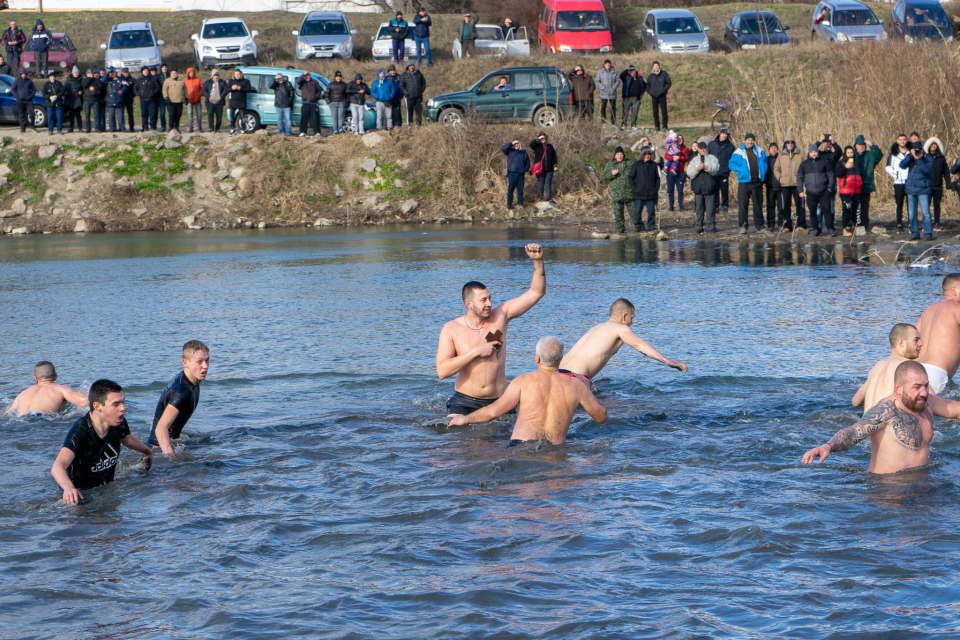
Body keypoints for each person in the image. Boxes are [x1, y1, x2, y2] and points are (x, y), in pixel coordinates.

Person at [437, 245, 546, 415]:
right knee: (455, 435)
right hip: (466, 401)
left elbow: (536, 292)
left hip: (500, 399)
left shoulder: (502, 315)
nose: (489, 303)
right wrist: (475, 352)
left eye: (490, 298)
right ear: (469, 304)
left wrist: (538, 261)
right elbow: (442, 371)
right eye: (483, 300)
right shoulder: (451, 329)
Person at [802, 361, 960, 474]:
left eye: (926, 385)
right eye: (917, 387)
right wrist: (828, 446)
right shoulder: (886, 411)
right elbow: (854, 432)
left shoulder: (927, 402)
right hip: (888, 491)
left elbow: (954, 410)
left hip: (922, 483)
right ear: (898, 388)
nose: (924, 392)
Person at [447, 336, 607, 445]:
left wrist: (465, 419)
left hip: (521, 447)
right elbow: (600, 417)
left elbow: (493, 412)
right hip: (555, 451)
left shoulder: (522, 382)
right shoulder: (577, 385)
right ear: (561, 359)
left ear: (537, 358)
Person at [50, 379, 152, 504]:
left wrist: (147, 451)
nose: (123, 408)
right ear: (97, 406)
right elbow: (57, 467)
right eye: (116, 404)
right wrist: (68, 488)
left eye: (123, 402)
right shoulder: (81, 431)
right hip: (80, 495)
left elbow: (127, 438)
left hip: (106, 489)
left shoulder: (118, 422)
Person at [560, 299, 688, 383]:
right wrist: (667, 361)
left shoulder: (596, 328)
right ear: (624, 316)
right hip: (574, 379)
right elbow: (638, 343)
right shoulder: (620, 328)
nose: (631, 323)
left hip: (556, 374)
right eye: (631, 318)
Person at [147, 340, 209, 456]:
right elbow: (161, 427)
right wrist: (170, 456)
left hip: (171, 443)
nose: (205, 366)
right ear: (186, 363)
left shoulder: (192, 378)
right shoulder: (181, 391)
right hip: (157, 449)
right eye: (199, 361)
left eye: (207, 360)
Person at [852, 324, 922, 414]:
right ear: (901, 342)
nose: (921, 344)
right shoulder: (907, 366)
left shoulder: (876, 367)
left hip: (865, 425)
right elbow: (932, 399)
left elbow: (855, 401)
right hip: (889, 426)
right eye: (916, 340)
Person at [916, 273, 960, 394]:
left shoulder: (928, 310)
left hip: (914, 370)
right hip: (936, 374)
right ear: (954, 290)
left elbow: (910, 338)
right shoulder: (956, 308)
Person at [5, 361, 89, 416]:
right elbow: (84, 402)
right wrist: (85, 392)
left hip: (21, 419)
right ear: (55, 376)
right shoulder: (61, 389)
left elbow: (6, 414)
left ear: (35, 379)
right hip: (42, 419)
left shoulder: (22, 394)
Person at [728, 133, 768, 235]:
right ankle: (743, 227)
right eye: (749, 140)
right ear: (745, 140)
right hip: (744, 182)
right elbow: (731, 164)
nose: (750, 142)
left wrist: (763, 170)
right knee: (743, 205)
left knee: (758, 205)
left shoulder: (759, 151)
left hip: (757, 182)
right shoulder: (739, 152)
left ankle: (759, 226)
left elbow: (765, 161)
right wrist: (740, 169)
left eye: (752, 140)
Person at [797, 143, 836, 237]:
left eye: (815, 152)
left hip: (823, 191)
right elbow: (799, 177)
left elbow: (830, 174)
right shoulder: (804, 164)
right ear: (809, 153)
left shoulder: (824, 161)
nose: (814, 154)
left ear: (817, 152)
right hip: (810, 192)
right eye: (812, 152)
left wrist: (830, 187)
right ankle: (816, 229)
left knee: (827, 210)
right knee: (812, 211)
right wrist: (800, 190)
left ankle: (830, 228)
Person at [900, 140, 934, 241]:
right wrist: (910, 156)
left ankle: (928, 234)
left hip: (923, 189)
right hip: (911, 189)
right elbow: (902, 165)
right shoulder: (910, 157)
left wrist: (918, 159)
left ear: (922, 149)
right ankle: (915, 233)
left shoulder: (928, 158)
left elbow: (926, 170)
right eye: (915, 150)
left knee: (926, 213)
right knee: (911, 213)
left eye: (919, 149)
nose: (917, 151)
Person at [687, 137, 720, 234]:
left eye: (704, 148)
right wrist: (698, 169)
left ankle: (711, 227)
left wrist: (705, 167)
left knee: (710, 209)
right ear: (698, 149)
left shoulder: (713, 158)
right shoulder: (694, 160)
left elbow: (715, 169)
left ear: (707, 148)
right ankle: (699, 226)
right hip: (698, 188)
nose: (703, 150)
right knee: (699, 209)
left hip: (710, 188)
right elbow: (689, 172)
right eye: (701, 148)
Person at [853, 135, 882, 231]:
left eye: (863, 145)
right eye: (859, 145)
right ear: (856, 146)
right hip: (854, 185)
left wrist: (873, 146)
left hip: (866, 184)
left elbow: (879, 155)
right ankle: (855, 223)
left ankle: (864, 224)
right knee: (855, 204)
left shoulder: (869, 155)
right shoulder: (852, 156)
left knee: (865, 205)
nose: (861, 147)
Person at [604, 146, 634, 234]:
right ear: (615, 156)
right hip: (617, 194)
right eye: (618, 154)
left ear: (623, 155)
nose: (619, 156)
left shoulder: (630, 163)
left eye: (621, 154)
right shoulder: (610, 164)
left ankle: (639, 227)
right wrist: (611, 174)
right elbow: (605, 176)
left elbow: (637, 173)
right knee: (618, 214)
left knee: (634, 212)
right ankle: (620, 230)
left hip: (629, 192)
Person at [629, 147, 661, 231]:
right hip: (639, 193)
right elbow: (631, 177)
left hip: (651, 193)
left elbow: (657, 178)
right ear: (642, 155)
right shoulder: (636, 164)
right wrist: (634, 189)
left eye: (649, 154)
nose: (647, 156)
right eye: (645, 154)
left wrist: (656, 189)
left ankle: (651, 226)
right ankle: (638, 226)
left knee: (651, 212)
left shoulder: (653, 165)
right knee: (637, 212)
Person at [886, 134, 911, 233]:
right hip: (898, 182)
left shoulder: (911, 152)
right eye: (900, 140)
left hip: (909, 181)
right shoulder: (893, 153)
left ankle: (910, 223)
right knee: (899, 203)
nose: (902, 141)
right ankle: (899, 224)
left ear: (907, 140)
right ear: (897, 141)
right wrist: (895, 174)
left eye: (904, 139)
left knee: (910, 203)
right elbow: (888, 167)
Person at [707, 128, 735, 213]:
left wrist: (729, 168)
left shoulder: (730, 146)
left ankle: (725, 205)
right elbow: (708, 157)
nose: (724, 135)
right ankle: (715, 205)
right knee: (715, 190)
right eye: (723, 133)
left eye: (726, 134)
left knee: (725, 190)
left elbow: (733, 159)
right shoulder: (712, 144)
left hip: (724, 171)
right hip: (714, 172)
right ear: (719, 134)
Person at [529, 131, 558, 203]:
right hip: (540, 169)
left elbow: (554, 156)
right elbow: (531, 145)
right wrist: (537, 138)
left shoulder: (550, 146)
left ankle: (548, 197)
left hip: (549, 168)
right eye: (541, 138)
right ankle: (541, 197)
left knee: (548, 182)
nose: (543, 139)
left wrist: (556, 164)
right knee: (540, 182)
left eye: (544, 138)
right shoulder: (537, 147)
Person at [502, 137, 530, 210]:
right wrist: (511, 143)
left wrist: (525, 169)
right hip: (512, 174)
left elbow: (528, 162)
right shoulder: (509, 151)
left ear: (520, 144)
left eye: (517, 143)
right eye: (515, 144)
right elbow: (503, 149)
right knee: (510, 190)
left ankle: (520, 204)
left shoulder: (523, 153)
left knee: (520, 190)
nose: (516, 145)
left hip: (521, 175)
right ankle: (509, 205)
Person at [664, 132, 689, 212]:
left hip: (679, 172)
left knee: (680, 190)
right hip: (670, 171)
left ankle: (681, 206)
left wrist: (679, 157)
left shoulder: (685, 149)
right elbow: (666, 155)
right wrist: (673, 158)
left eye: (681, 138)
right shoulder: (671, 146)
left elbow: (687, 158)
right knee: (670, 190)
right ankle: (671, 206)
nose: (679, 140)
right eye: (678, 138)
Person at [927, 137, 947, 231]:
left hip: (938, 185)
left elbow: (946, 171)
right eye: (932, 145)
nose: (933, 146)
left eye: (935, 145)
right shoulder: (925, 157)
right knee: (926, 205)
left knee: (937, 205)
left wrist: (948, 183)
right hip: (927, 185)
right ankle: (927, 224)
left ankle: (937, 223)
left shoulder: (941, 157)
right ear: (929, 146)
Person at [646, 61, 671, 132]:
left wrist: (663, 90)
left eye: (657, 66)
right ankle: (656, 126)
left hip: (662, 95)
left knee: (664, 111)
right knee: (655, 112)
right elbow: (647, 85)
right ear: (653, 67)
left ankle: (665, 126)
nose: (656, 67)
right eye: (654, 66)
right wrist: (650, 92)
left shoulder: (664, 74)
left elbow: (668, 83)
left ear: (659, 66)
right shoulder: (650, 76)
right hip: (654, 96)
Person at [399, 62, 425, 127]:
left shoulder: (418, 73)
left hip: (418, 97)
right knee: (410, 113)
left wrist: (421, 90)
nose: (411, 67)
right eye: (410, 66)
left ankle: (418, 126)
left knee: (419, 112)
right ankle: (410, 126)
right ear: (407, 67)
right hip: (409, 97)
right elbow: (401, 86)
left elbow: (423, 81)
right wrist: (406, 93)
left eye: (412, 65)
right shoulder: (404, 75)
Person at [228, 68, 253, 135]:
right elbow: (227, 89)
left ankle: (243, 129)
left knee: (242, 116)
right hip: (233, 101)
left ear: (241, 74)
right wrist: (231, 88)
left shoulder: (245, 81)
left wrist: (240, 88)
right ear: (234, 75)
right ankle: (232, 128)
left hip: (241, 101)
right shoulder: (231, 81)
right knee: (231, 115)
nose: (237, 75)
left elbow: (248, 89)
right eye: (236, 74)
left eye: (238, 74)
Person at [268, 72, 294, 136]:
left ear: (283, 77)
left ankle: (288, 133)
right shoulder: (276, 84)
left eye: (280, 77)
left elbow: (292, 93)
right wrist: (274, 78)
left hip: (287, 105)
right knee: (279, 120)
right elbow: (270, 86)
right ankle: (282, 132)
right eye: (278, 78)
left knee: (288, 120)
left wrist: (289, 101)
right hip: (278, 105)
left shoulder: (288, 83)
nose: (279, 79)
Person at [618, 65, 643, 131]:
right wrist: (627, 70)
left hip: (636, 98)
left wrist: (641, 94)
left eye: (633, 70)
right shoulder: (626, 77)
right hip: (627, 98)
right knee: (625, 112)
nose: (632, 72)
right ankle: (623, 124)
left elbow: (643, 86)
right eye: (631, 70)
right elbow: (621, 75)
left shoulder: (639, 77)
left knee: (635, 112)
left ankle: (633, 125)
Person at [135, 66, 159, 132]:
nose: (146, 72)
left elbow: (157, 87)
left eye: (147, 71)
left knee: (152, 114)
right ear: (142, 72)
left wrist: (153, 93)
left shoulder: (152, 79)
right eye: (144, 71)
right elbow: (135, 88)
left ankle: (152, 127)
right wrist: (139, 94)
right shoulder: (139, 80)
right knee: (144, 114)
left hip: (151, 100)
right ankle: (145, 127)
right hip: (143, 100)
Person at [161, 68, 186, 133]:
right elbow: (164, 90)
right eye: (172, 73)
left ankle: (177, 127)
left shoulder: (181, 81)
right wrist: (166, 97)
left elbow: (185, 90)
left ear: (177, 74)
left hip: (179, 101)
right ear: (170, 74)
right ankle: (171, 127)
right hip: (171, 101)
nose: (174, 74)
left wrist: (186, 98)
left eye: (175, 73)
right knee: (172, 115)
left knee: (178, 115)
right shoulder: (167, 81)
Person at [318, 70, 343, 135]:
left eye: (339, 77)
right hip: (333, 103)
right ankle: (335, 129)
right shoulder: (330, 84)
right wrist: (329, 102)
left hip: (341, 103)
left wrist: (345, 102)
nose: (338, 78)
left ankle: (340, 128)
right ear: (335, 77)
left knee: (341, 116)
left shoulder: (344, 85)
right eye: (337, 77)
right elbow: (326, 94)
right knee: (334, 116)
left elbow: (347, 95)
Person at [11, 68, 35, 133]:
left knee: (32, 113)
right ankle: (22, 128)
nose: (23, 75)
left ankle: (32, 126)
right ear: (20, 74)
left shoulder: (29, 81)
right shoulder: (16, 81)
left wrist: (30, 96)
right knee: (21, 115)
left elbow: (34, 90)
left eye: (24, 74)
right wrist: (17, 96)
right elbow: (12, 89)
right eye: (22, 74)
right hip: (20, 101)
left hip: (28, 100)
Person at [202, 69, 227, 133]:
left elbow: (226, 90)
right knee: (210, 116)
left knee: (219, 116)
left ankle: (217, 128)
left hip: (219, 102)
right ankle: (211, 128)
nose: (216, 77)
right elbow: (204, 91)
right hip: (210, 102)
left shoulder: (222, 82)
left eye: (217, 75)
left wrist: (221, 96)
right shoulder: (207, 82)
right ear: (212, 76)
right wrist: (208, 97)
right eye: (214, 76)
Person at [763, 142, 780, 231]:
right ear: (769, 150)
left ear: (777, 149)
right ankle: (770, 225)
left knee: (781, 207)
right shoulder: (766, 159)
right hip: (770, 187)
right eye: (772, 148)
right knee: (770, 207)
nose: (773, 149)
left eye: (775, 148)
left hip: (780, 187)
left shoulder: (781, 158)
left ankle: (781, 224)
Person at [596, 59, 620, 125]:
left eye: (609, 63)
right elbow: (597, 81)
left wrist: (613, 88)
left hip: (612, 93)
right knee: (603, 108)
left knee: (613, 108)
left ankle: (613, 122)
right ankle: (603, 121)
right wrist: (602, 88)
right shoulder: (600, 72)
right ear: (604, 65)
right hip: (604, 93)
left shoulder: (614, 72)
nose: (608, 65)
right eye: (606, 64)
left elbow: (618, 80)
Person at [104, 67, 128, 133]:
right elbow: (102, 81)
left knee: (120, 116)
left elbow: (126, 86)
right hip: (110, 101)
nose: (113, 74)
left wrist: (122, 91)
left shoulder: (120, 79)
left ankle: (122, 128)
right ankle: (112, 128)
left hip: (119, 100)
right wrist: (107, 73)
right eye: (111, 73)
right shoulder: (107, 80)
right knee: (111, 115)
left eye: (114, 72)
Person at [41, 70, 63, 135]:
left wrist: (57, 96)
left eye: (53, 77)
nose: (52, 78)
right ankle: (50, 130)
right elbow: (44, 94)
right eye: (51, 77)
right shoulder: (46, 85)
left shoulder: (59, 83)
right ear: (49, 78)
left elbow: (62, 91)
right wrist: (49, 97)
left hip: (58, 103)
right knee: (50, 117)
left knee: (59, 117)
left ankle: (59, 130)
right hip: (50, 103)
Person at [81, 68, 102, 133]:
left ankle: (97, 128)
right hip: (87, 100)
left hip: (95, 100)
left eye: (91, 73)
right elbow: (84, 85)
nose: (90, 74)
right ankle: (88, 128)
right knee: (87, 115)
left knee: (96, 115)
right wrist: (89, 79)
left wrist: (94, 87)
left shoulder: (96, 80)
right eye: (89, 73)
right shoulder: (84, 80)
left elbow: (101, 86)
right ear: (87, 74)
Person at [183, 67, 203, 133]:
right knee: (190, 113)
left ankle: (199, 127)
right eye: (190, 73)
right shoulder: (185, 80)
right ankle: (190, 127)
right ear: (187, 73)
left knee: (199, 114)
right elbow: (183, 90)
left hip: (197, 99)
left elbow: (202, 88)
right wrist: (185, 98)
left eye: (192, 72)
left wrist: (199, 95)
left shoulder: (198, 79)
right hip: (189, 100)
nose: (191, 74)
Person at [63, 66, 82, 133]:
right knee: (71, 115)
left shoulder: (80, 80)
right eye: (75, 73)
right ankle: (71, 128)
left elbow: (83, 88)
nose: (76, 74)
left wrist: (81, 92)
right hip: (70, 99)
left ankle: (80, 128)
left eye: (77, 73)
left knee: (78, 115)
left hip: (77, 99)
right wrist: (65, 93)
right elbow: (64, 88)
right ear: (72, 73)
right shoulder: (68, 80)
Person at [118, 67, 135, 132]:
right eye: (124, 72)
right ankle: (121, 127)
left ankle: (131, 127)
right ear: (122, 72)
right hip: (121, 100)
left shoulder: (132, 80)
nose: (125, 73)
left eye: (126, 72)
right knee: (121, 115)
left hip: (129, 100)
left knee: (130, 114)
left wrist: (132, 96)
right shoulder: (119, 79)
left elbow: (135, 89)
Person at [157, 63, 170, 132]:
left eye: (165, 67)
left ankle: (172, 126)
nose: (164, 68)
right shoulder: (158, 76)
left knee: (171, 112)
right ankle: (163, 126)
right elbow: (157, 86)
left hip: (170, 97)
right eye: (163, 67)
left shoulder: (170, 75)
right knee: (162, 113)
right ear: (161, 69)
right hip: (161, 97)